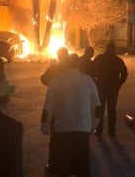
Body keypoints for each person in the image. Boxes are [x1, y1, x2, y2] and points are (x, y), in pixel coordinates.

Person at [41, 53, 101, 177]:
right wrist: (93, 125)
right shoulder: (88, 80)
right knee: (83, 163)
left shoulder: (55, 81)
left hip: (62, 129)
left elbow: (48, 107)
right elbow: (97, 107)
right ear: (78, 65)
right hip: (83, 128)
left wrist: (45, 126)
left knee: (64, 163)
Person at [40, 47, 70, 175]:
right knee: (69, 137)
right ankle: (68, 166)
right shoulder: (72, 68)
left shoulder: (54, 68)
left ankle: (53, 165)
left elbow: (43, 79)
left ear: (58, 56)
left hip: (57, 105)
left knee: (55, 137)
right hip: (70, 105)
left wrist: (51, 84)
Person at [92, 42, 128, 137]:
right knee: (112, 110)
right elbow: (124, 74)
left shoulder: (100, 59)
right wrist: (119, 84)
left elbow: (93, 71)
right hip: (113, 88)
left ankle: (99, 130)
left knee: (100, 109)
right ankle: (111, 131)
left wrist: (96, 81)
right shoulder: (118, 60)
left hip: (101, 87)